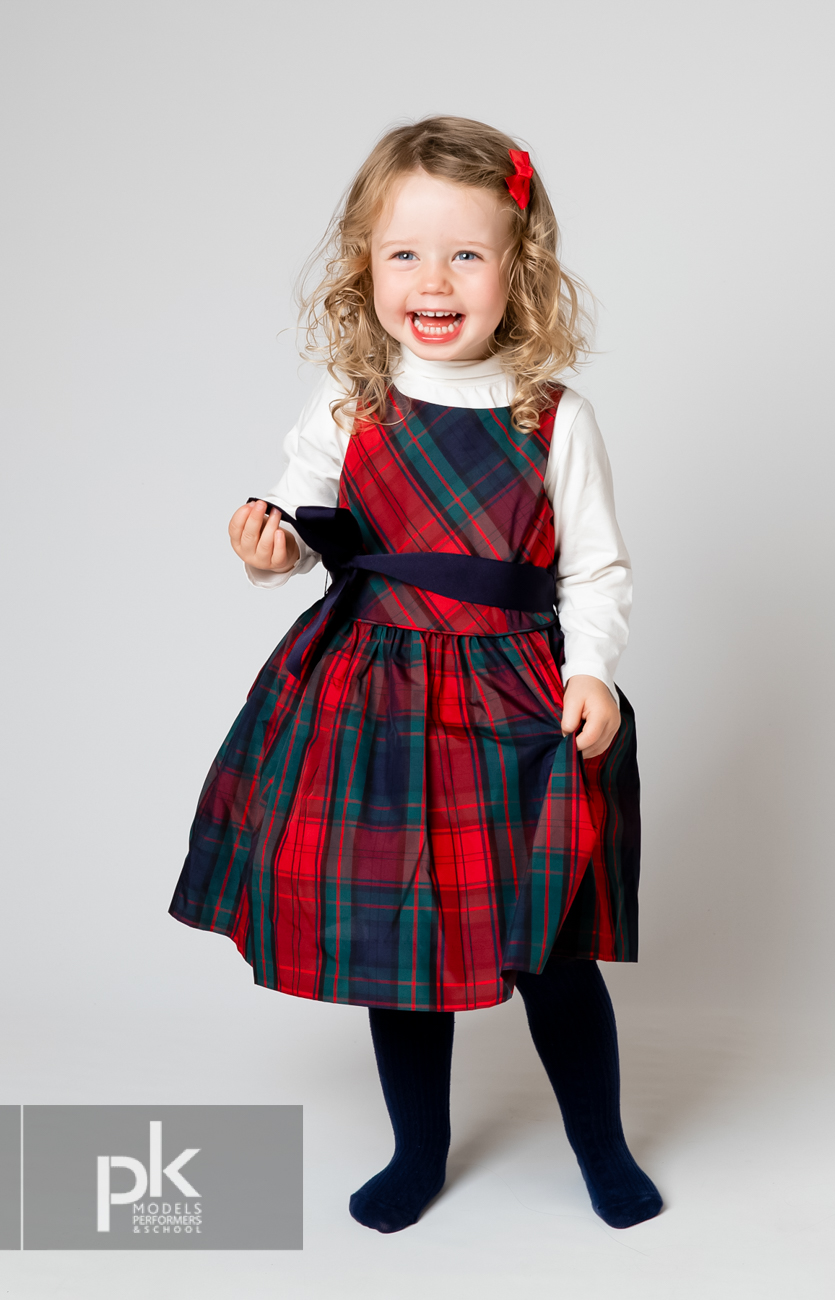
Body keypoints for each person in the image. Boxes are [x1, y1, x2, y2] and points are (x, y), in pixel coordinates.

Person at [169, 115, 662, 1234]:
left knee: (550, 946)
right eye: (405, 254)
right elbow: (305, 524)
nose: (432, 281)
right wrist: (268, 551)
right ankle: (418, 1150)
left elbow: (595, 566)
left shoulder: (552, 416)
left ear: (517, 270)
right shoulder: (351, 400)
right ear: (366, 266)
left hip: (510, 707)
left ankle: (601, 1147)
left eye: (465, 254)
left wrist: (590, 670)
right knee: (401, 946)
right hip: (376, 705)